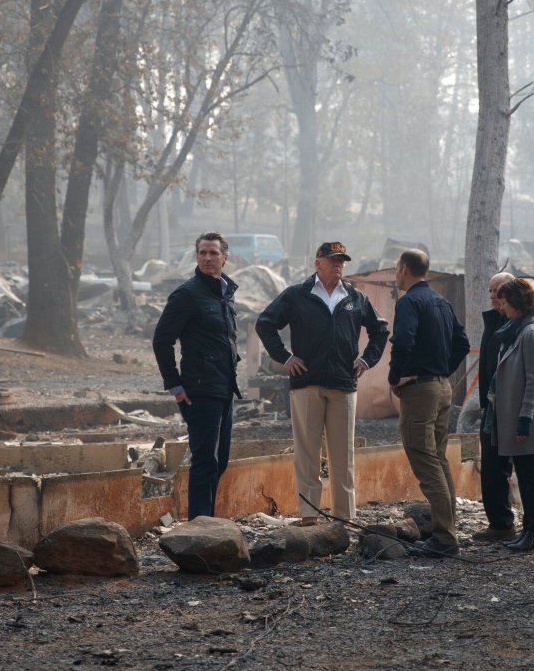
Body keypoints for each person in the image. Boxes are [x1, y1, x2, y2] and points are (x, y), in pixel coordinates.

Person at [255, 241, 389, 525]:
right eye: (332, 260)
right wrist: (285, 357)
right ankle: (309, 516)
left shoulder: (355, 297)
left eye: (342, 260)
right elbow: (265, 323)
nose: (338, 265)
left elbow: (380, 330)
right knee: (307, 454)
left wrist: (366, 361)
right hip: (306, 383)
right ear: (318, 263)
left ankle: (344, 517)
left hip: (343, 383)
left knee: (343, 455)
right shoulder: (296, 295)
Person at [152, 232, 240, 520]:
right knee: (204, 461)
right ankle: (200, 529)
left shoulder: (225, 294)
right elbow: (162, 341)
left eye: (213, 253)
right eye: (202, 253)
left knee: (220, 461)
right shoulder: (187, 295)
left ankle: (210, 524)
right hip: (199, 391)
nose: (207, 258)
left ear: (225, 258)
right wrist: (175, 385)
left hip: (224, 388)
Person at [388, 249, 470, 557]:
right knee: (438, 458)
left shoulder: (410, 301)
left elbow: (404, 340)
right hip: (443, 388)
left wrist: (396, 377)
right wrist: (441, 370)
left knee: (424, 459)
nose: (396, 274)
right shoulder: (441, 301)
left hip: (421, 391)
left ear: (405, 268)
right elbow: (461, 343)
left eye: (397, 268)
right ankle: (447, 528)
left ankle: (445, 539)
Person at [472, 272, 534, 542]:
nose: (497, 302)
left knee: (530, 473)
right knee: (508, 470)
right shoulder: (510, 328)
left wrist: (526, 414)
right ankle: (521, 529)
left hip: (524, 415)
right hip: (504, 412)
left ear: (515, 300)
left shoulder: (533, 331)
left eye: (501, 296)